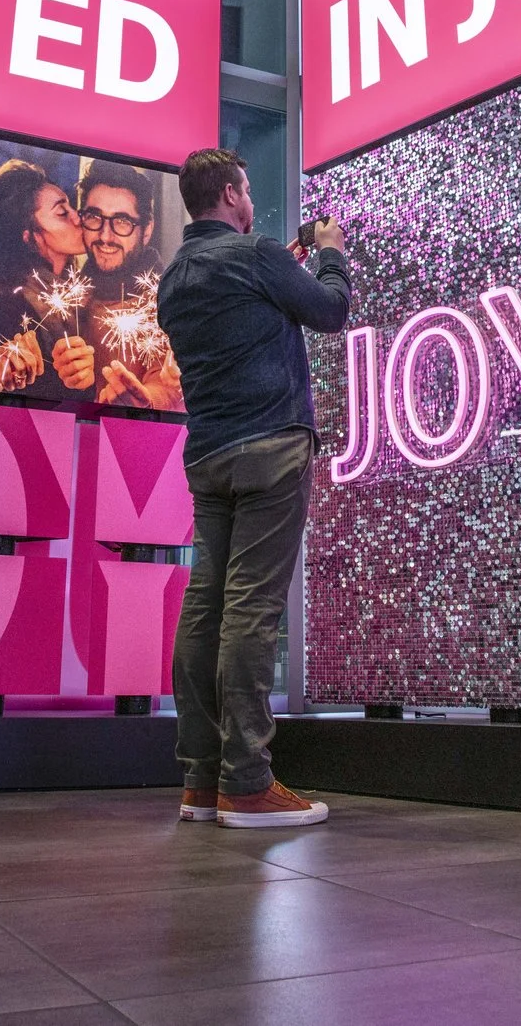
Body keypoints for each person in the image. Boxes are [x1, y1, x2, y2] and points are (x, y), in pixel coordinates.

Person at [157, 148, 351, 828]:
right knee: (250, 609)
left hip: (209, 456)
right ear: (232, 194)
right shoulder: (257, 255)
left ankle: (200, 781)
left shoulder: (175, 278)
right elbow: (331, 310)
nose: (251, 202)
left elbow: (241, 317)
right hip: (270, 448)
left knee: (205, 607)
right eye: (246, 191)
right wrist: (330, 252)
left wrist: (279, 269)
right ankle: (246, 783)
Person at [0, 158, 93, 398]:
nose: (77, 217)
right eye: (62, 212)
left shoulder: (77, 293)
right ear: (30, 237)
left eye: (71, 206)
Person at [63, 160, 185, 410]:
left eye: (122, 222)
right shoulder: (68, 297)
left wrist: (144, 401)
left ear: (146, 230)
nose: (105, 236)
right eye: (94, 217)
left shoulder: (166, 302)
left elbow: (165, 385)